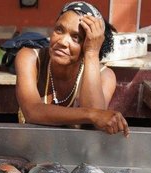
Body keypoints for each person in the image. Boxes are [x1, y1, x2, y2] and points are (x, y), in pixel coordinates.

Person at [14, 1, 129, 137]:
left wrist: (92, 53)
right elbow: (32, 111)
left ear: (89, 43)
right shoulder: (29, 58)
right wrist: (90, 114)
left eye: (76, 38)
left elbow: (94, 122)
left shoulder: (105, 75)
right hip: (32, 150)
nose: (62, 42)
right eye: (59, 30)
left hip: (77, 153)